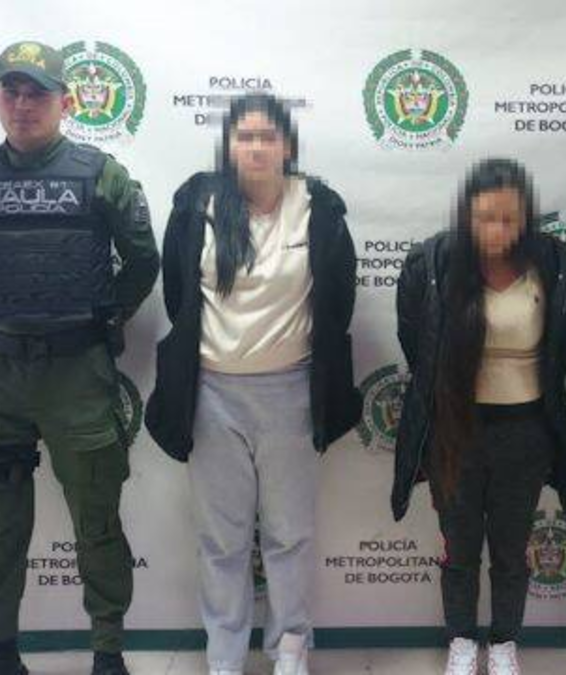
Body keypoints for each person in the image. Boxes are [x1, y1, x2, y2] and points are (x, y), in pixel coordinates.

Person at [0, 41, 159, 675]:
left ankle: (108, 655)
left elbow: (142, 260)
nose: (23, 104)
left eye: (37, 92)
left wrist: (102, 319)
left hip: (77, 376)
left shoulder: (102, 174)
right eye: (10, 91)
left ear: (66, 102)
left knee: (97, 521)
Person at [144, 93, 362, 675]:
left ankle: (290, 649)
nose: (256, 147)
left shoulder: (318, 208)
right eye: (245, 136)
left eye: (268, 136)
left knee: (289, 535)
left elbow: (338, 298)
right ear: (229, 145)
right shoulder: (198, 206)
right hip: (212, 394)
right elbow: (178, 295)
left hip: (292, 393)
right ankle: (224, 657)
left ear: (288, 145)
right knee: (223, 540)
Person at [392, 158, 566, 675]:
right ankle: (461, 640)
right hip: (455, 431)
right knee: (459, 548)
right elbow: (416, 341)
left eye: (509, 218)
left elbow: (562, 349)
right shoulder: (433, 263)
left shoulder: (553, 263)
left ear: (526, 219)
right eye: (485, 218)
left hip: (525, 432)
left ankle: (503, 643)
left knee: (510, 548)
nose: (497, 230)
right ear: (466, 216)